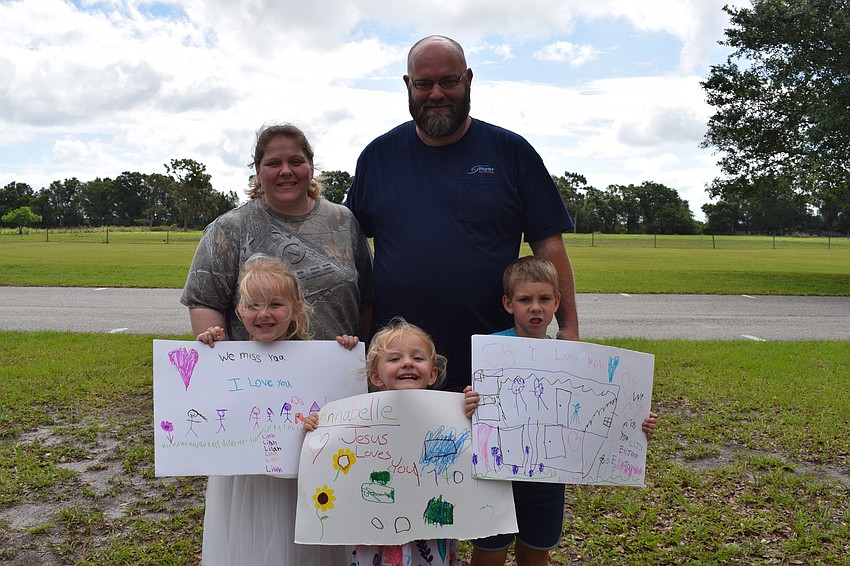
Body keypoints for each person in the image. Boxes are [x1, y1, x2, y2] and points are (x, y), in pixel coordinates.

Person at [181, 123, 373, 566]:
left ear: (310, 166)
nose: (285, 171)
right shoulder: (230, 227)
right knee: (265, 524)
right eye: (274, 163)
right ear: (257, 169)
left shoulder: (343, 222)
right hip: (258, 408)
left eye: (296, 161)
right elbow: (204, 301)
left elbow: (365, 298)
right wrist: (221, 354)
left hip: (330, 401)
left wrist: (355, 356)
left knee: (328, 509)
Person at [345, 34, 579, 393]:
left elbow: (549, 245)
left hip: (495, 361)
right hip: (400, 366)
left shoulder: (512, 153)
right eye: (424, 83)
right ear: (408, 85)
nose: (436, 94)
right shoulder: (378, 157)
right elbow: (348, 247)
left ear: (468, 79)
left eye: (449, 81)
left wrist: (568, 329)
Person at [464, 256, 658, 566]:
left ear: (557, 302)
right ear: (508, 303)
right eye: (525, 299)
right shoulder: (491, 351)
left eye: (543, 299)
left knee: (536, 552)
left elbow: (606, 407)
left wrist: (637, 424)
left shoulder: (571, 359)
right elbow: (471, 412)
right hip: (497, 478)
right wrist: (469, 404)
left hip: (548, 478)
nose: (535, 307)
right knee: (489, 554)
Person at [303, 317, 477, 566]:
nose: (407, 363)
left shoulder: (452, 415)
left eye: (417, 358)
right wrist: (316, 430)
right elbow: (332, 453)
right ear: (375, 375)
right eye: (395, 359)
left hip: (430, 533)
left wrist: (473, 413)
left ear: (432, 374)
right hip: (377, 533)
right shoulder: (358, 418)